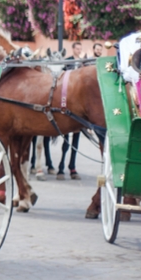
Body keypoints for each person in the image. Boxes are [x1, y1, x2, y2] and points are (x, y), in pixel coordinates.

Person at [56, 43, 86, 180]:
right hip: (66, 99)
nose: (79, 51)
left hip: (78, 102)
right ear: (73, 49)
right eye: (77, 48)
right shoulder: (67, 62)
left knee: (76, 140)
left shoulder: (82, 63)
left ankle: (72, 166)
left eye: (80, 49)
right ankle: (61, 166)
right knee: (66, 140)